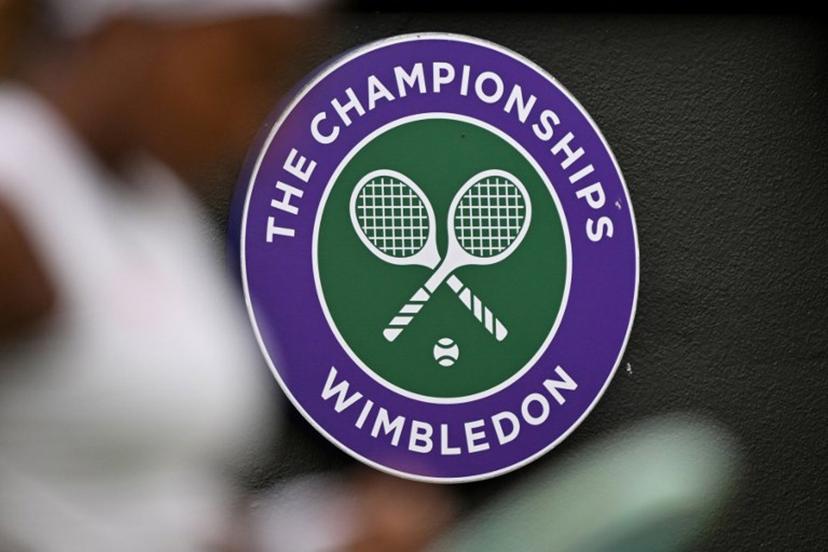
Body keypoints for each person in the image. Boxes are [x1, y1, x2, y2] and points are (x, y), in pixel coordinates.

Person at [0, 1, 328, 550]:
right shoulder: (14, 195)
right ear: (127, 30)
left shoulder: (162, 204)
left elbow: (148, 510)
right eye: (248, 66)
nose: (254, 117)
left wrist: (310, 532)